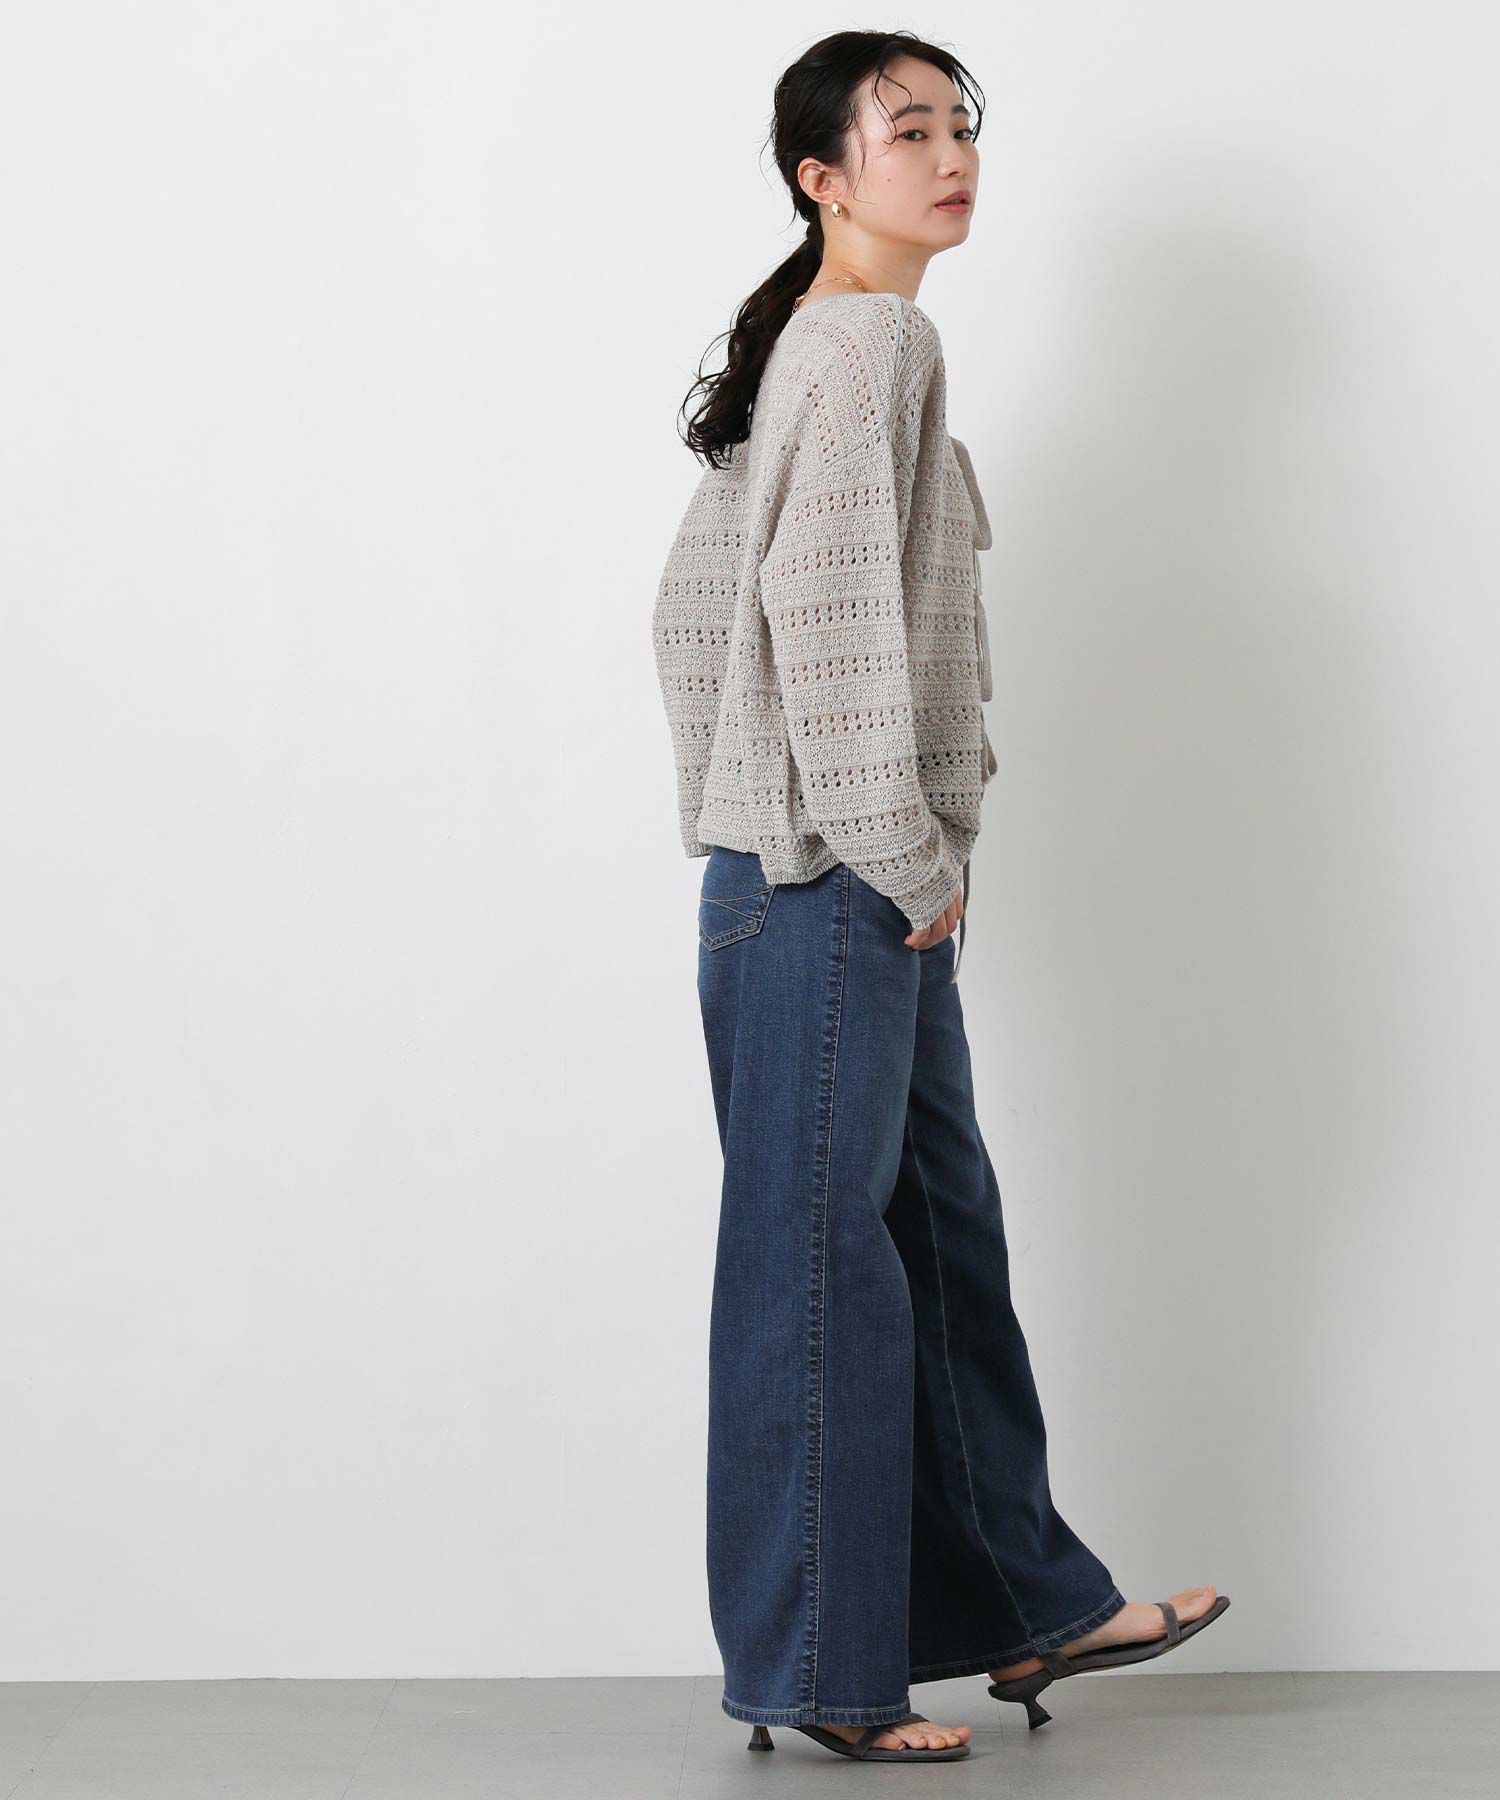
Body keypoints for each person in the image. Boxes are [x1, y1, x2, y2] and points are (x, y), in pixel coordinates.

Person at [651, 30, 1227, 1766]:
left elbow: (692, 613)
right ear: (822, 176)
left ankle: (1027, 1603)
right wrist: (882, 846)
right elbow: (812, 621)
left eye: (960, 126)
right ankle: (826, 1674)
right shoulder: (873, 341)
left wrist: (757, 821)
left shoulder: (813, 348)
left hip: (813, 879)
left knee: (933, 1238)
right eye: (907, 130)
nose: (951, 154)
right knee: (827, 1274)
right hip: (836, 883)